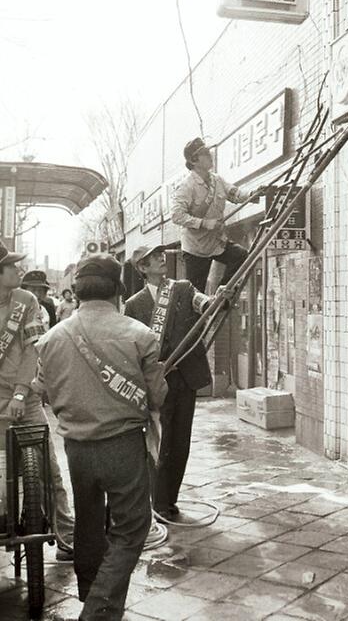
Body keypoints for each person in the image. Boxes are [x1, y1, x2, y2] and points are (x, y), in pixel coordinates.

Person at [32, 254, 168, 621]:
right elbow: (158, 397)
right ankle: (97, 612)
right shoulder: (140, 336)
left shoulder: (50, 339)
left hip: (76, 448)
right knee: (131, 528)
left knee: (88, 524)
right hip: (122, 445)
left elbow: (41, 390)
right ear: (119, 290)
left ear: (77, 291)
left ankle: (93, 595)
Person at [124, 244, 215, 521]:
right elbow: (132, 347)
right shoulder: (133, 305)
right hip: (157, 382)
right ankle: (158, 500)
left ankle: (169, 499)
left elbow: (203, 302)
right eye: (153, 257)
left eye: (161, 255)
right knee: (160, 442)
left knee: (181, 441)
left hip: (185, 378)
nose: (161, 259)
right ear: (142, 267)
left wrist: (215, 300)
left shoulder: (183, 288)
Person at [0, 242, 74, 561]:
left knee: (49, 470)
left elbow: (34, 349)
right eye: (11, 266)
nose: (18, 269)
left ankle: (66, 535)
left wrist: (20, 392)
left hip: (25, 401)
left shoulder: (26, 300)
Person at [171, 137, 263, 294]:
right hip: (195, 248)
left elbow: (235, 193)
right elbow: (176, 215)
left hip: (216, 243)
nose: (210, 156)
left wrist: (252, 194)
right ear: (194, 160)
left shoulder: (217, 180)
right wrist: (205, 223)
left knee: (240, 255)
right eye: (205, 153)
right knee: (194, 295)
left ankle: (222, 294)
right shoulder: (186, 186)